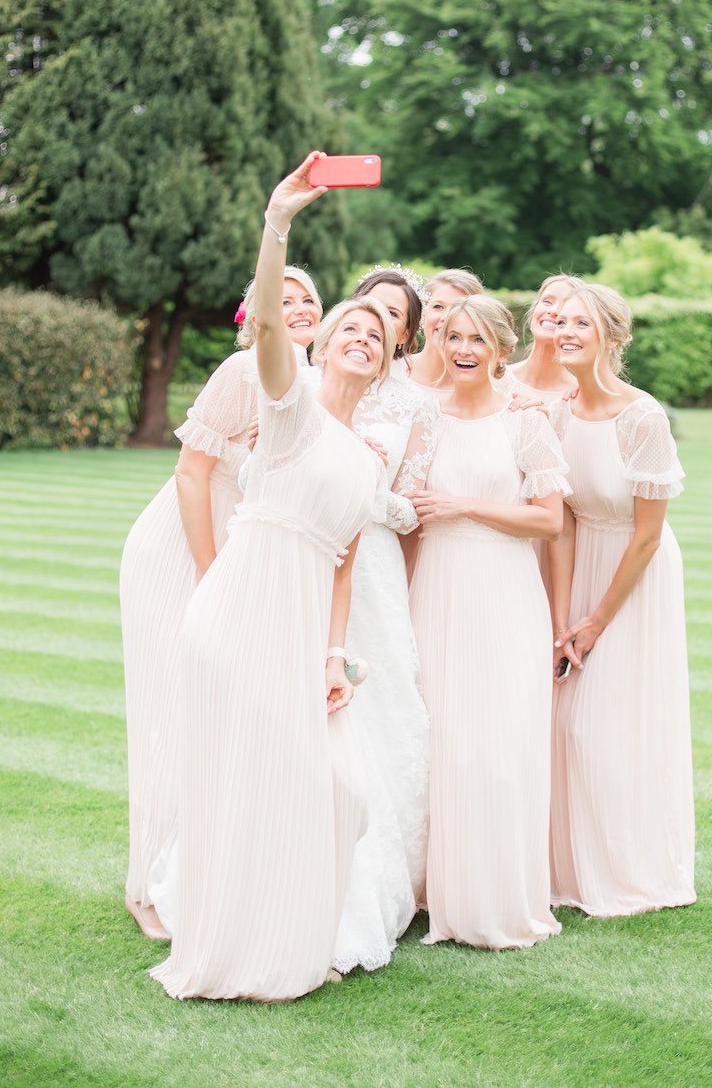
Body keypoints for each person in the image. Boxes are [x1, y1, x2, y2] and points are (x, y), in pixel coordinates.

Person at [150, 152, 395, 1002]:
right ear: (320, 343)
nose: (363, 336)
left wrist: (334, 657)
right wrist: (277, 221)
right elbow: (264, 334)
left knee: (335, 785)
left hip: (303, 629)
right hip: (240, 610)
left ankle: (289, 926)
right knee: (256, 775)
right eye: (351, 328)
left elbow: (343, 570)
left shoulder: (366, 461)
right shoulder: (288, 416)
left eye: (381, 335)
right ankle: (236, 944)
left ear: (390, 364)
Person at [119, 265, 322, 941]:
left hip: (242, 557)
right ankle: (145, 884)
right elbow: (191, 474)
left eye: (307, 299)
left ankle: (202, 873)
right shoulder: (241, 374)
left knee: (222, 718)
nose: (297, 308)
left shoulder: (308, 386)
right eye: (281, 299)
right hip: (182, 552)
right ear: (253, 318)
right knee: (170, 713)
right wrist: (211, 576)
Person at [400, 294, 568, 950]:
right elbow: (411, 512)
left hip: (503, 590)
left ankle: (496, 900)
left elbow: (549, 519)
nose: (463, 349)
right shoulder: (423, 418)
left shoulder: (525, 419)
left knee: (498, 743)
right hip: (437, 588)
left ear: (501, 350)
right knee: (440, 739)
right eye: (452, 336)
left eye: (477, 339)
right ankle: (429, 893)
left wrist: (464, 505)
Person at [548, 284, 695, 916]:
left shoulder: (642, 418)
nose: (567, 331)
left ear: (611, 335)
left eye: (582, 322)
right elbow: (564, 520)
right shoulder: (557, 411)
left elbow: (648, 535)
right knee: (567, 724)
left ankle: (634, 871)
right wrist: (563, 618)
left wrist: (596, 620)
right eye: (560, 322)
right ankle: (573, 872)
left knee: (609, 724)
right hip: (581, 568)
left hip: (633, 579)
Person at [328, 266, 432, 973]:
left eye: (393, 316)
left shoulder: (411, 408)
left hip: (375, 573)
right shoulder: (316, 385)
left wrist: (372, 493)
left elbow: (412, 506)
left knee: (387, 714)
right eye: (368, 311)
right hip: (318, 558)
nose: (379, 323)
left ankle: (387, 881)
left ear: (407, 334)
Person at [401, 268, 483, 394]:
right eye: (438, 307)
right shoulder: (389, 370)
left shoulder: (485, 385)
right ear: (422, 314)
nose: (446, 317)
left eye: (459, 308)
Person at [506, 274, 582, 400]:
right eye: (547, 301)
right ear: (533, 312)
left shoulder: (578, 395)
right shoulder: (494, 377)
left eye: (565, 306)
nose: (554, 311)